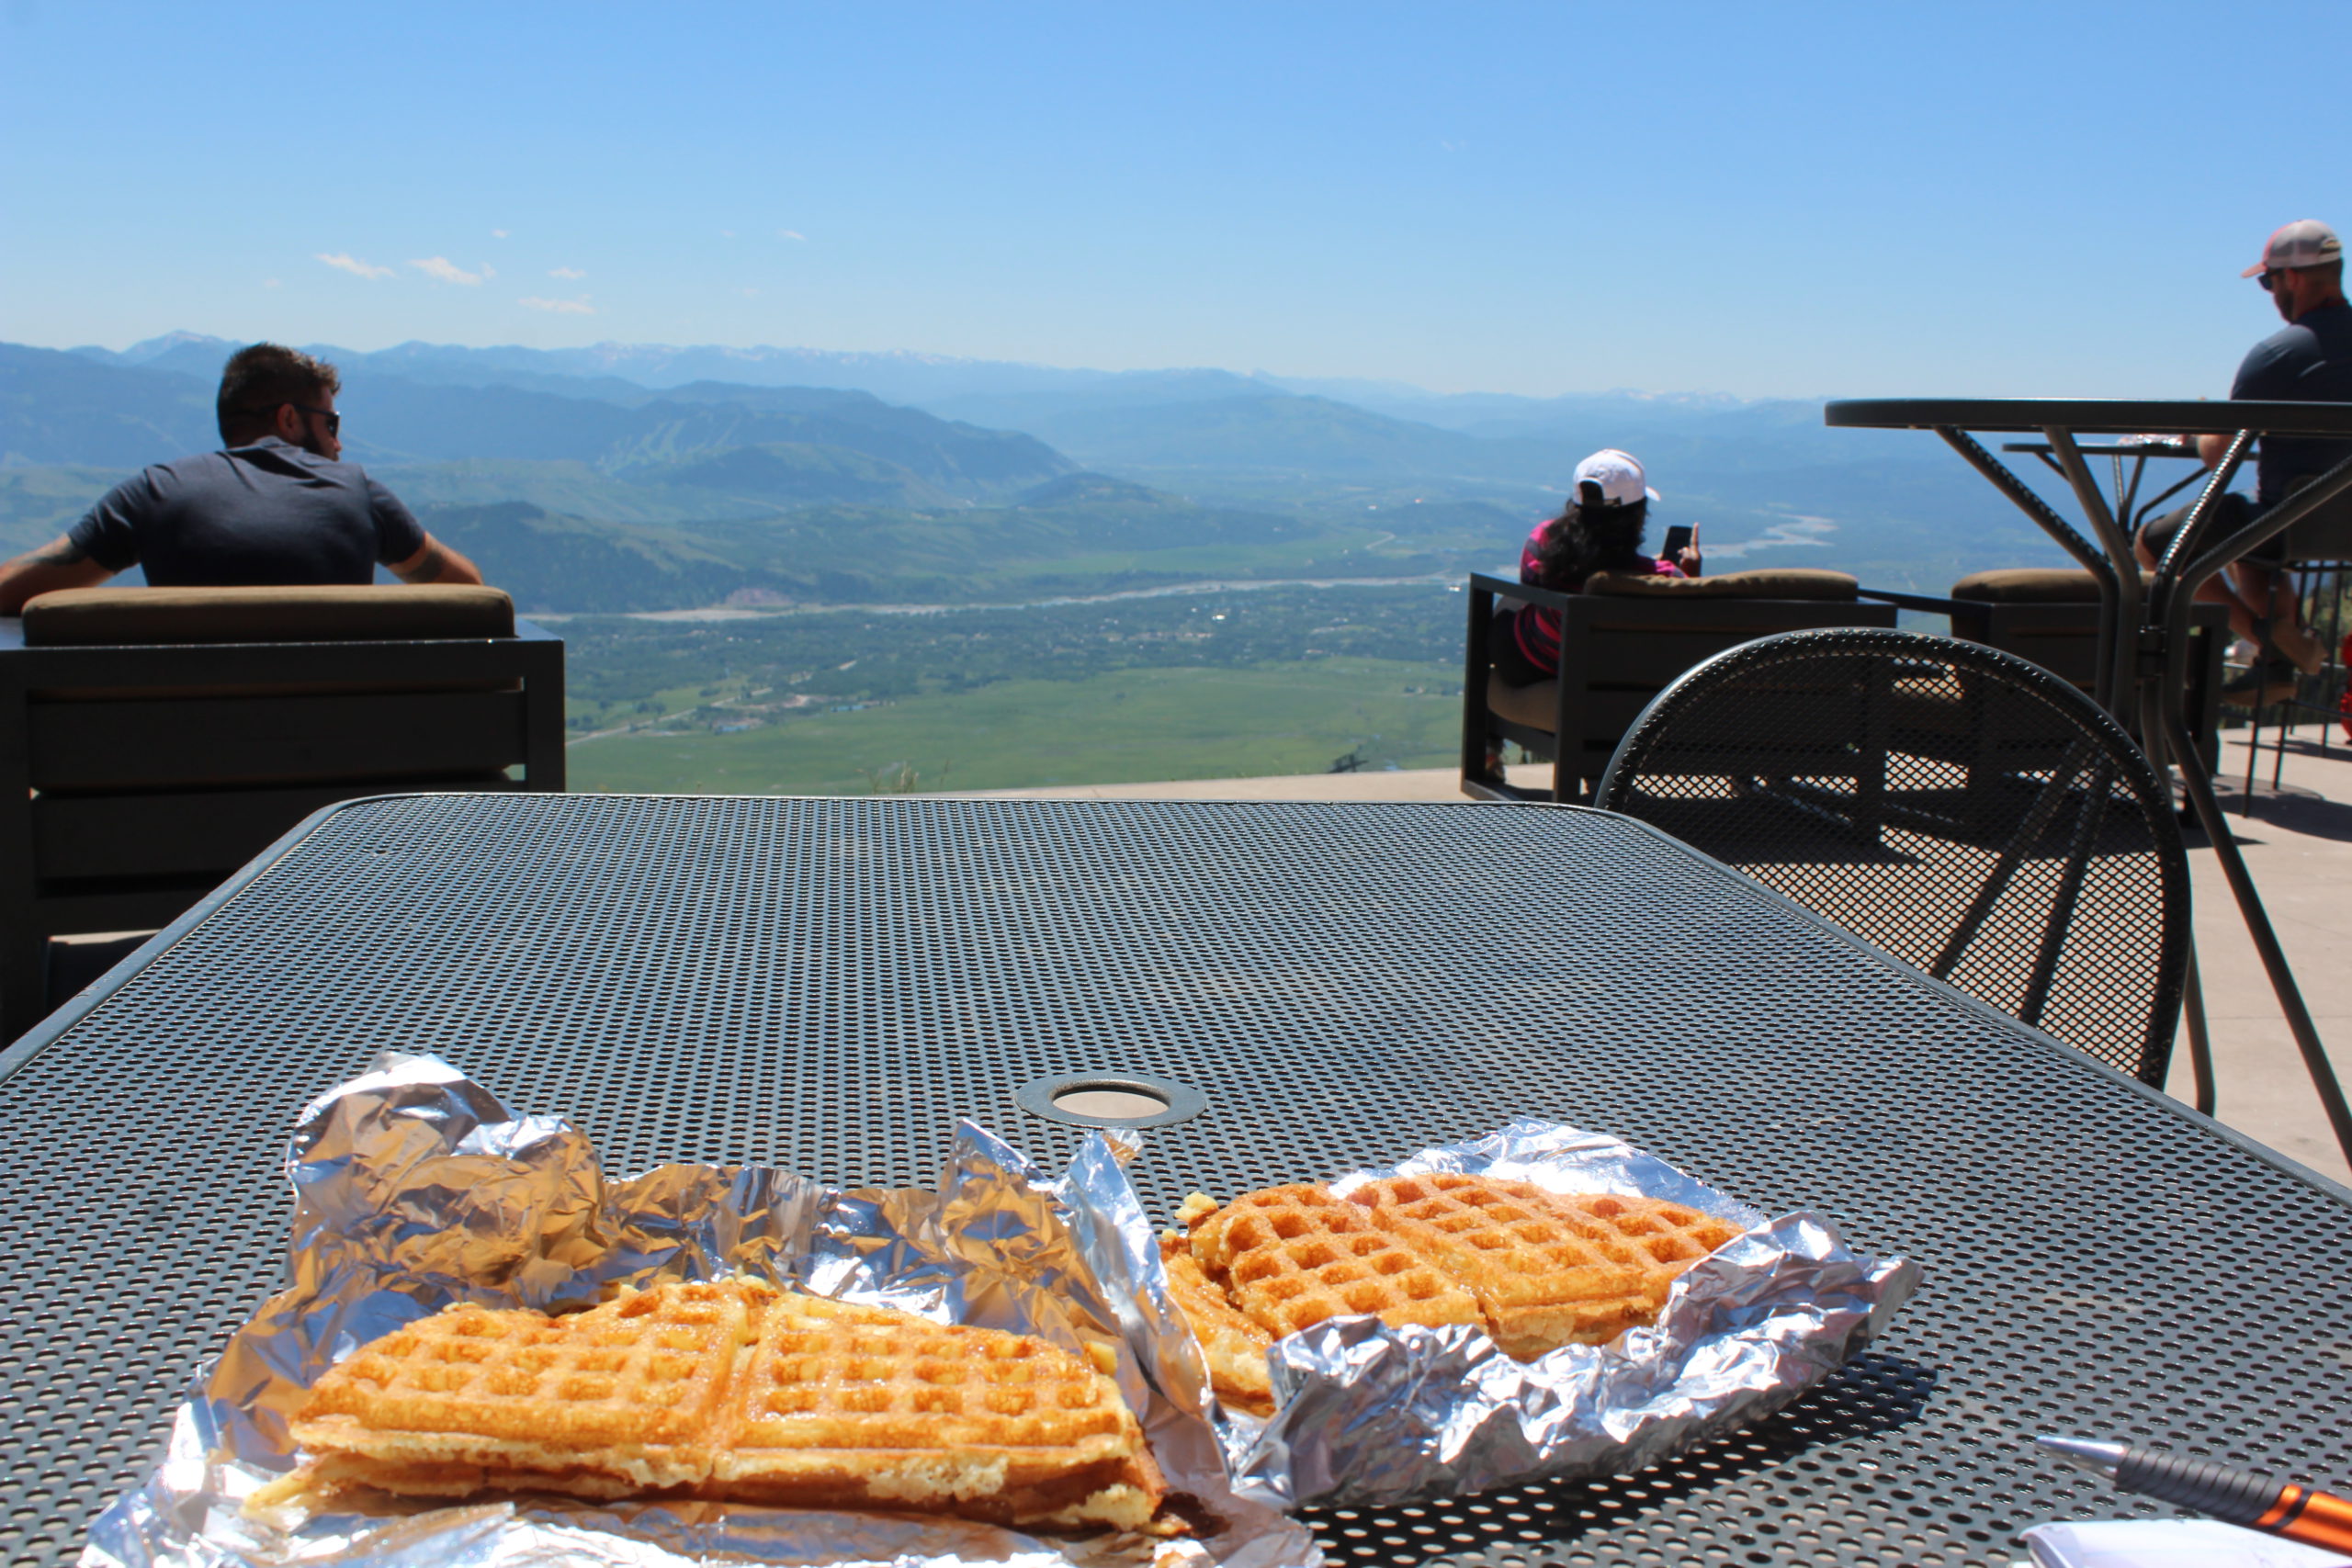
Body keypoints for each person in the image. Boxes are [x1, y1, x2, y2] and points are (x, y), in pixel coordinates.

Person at [0, 343, 483, 615]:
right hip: (344, 772)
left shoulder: (154, 492)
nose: (338, 445)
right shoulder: (359, 492)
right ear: (290, 419)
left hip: (182, 770)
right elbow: (468, 592)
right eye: (331, 424)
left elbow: (12, 589)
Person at [2135, 220, 2352, 706]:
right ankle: (2274, 664)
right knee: (2245, 539)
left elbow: (2219, 455)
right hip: (2335, 526)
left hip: (2289, 521)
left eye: (2267, 281)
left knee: (2154, 544)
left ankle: (2265, 636)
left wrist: (2208, 423)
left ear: (2291, 278)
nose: (2270, 291)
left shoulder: (2280, 354)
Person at [1493, 448, 1702, 685]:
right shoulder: (1666, 578)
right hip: (1611, 675)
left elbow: (1533, 582)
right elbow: (1686, 624)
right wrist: (1690, 578)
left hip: (1535, 664)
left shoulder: (1542, 540)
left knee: (1510, 604)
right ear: (1639, 515)